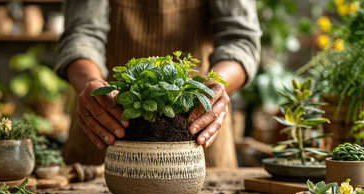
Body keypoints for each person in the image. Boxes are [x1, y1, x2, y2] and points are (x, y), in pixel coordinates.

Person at [56, 0, 261, 169]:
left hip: (197, 129)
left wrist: (214, 87)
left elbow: (241, 40)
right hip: (105, 123)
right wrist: (92, 83)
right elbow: (81, 35)